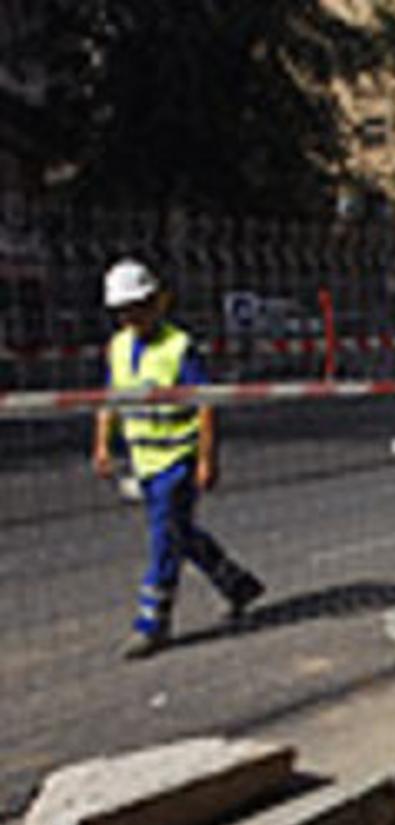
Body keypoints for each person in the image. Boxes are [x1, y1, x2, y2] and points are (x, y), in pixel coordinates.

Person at [93, 258, 264, 659]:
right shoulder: (118, 348)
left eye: (139, 306)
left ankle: (152, 622)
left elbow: (206, 405)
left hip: (178, 460)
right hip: (144, 461)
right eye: (124, 310)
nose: (132, 316)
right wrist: (102, 444)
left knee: (163, 540)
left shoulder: (179, 346)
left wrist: (207, 459)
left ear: (157, 302)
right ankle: (236, 583)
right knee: (179, 533)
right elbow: (110, 399)